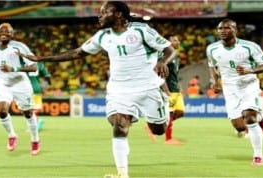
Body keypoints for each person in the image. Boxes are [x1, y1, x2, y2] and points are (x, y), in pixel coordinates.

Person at [17, 1, 175, 178]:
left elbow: (169, 50)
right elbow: (77, 53)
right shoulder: (102, 36)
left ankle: (165, 105)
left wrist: (162, 61)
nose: (100, 16)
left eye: (104, 12)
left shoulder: (141, 30)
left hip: (148, 88)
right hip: (119, 90)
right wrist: (42, 58)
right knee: (119, 124)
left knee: (159, 130)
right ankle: (122, 173)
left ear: (118, 15)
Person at [206, 18, 263, 166]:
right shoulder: (212, 49)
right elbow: (212, 66)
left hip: (248, 85)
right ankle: (261, 118)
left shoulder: (249, 47)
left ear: (235, 30)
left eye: (226, 28)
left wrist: (249, 70)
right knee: (240, 127)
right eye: (220, 29)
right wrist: (215, 81)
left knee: (249, 119)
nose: (222, 31)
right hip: (229, 89)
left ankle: (258, 156)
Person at [0, 23, 41, 155]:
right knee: (2, 111)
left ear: (12, 34)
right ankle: (12, 135)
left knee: (27, 113)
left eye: (7, 31)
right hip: (2, 83)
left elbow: (34, 67)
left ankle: (35, 140)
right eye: (1, 31)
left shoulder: (20, 47)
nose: (4, 33)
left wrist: (14, 68)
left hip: (20, 83)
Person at [145, 34, 185, 145]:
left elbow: (173, 74)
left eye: (178, 40)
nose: (178, 42)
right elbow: (158, 72)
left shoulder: (175, 57)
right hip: (168, 89)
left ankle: (152, 124)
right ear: (167, 42)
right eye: (175, 40)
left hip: (175, 88)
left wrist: (179, 86)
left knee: (180, 112)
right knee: (171, 113)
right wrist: (165, 89)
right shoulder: (163, 56)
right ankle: (168, 138)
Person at [28, 62, 51, 131]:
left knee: (28, 108)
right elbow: (47, 75)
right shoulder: (40, 64)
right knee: (34, 108)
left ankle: (36, 123)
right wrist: (49, 83)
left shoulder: (23, 63)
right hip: (37, 88)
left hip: (27, 88)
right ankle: (36, 122)